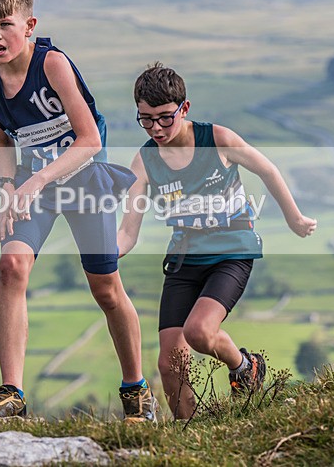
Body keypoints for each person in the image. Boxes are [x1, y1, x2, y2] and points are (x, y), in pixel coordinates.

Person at [0, 0, 157, 425]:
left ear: (29, 25)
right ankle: (12, 395)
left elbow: (90, 140)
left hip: (83, 180)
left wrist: (36, 181)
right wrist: (8, 186)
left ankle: (137, 392)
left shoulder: (52, 65)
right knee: (11, 267)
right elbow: (2, 142)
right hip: (32, 187)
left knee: (105, 288)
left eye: (5, 24)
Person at [117, 63, 317, 419]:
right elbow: (128, 232)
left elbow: (267, 169)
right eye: (145, 120)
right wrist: (103, 254)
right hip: (184, 258)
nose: (156, 128)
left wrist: (295, 218)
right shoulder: (144, 161)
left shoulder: (217, 139)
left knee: (199, 331)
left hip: (231, 252)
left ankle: (245, 367)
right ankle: (191, 434)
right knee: (169, 363)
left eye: (164, 118)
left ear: (184, 108)